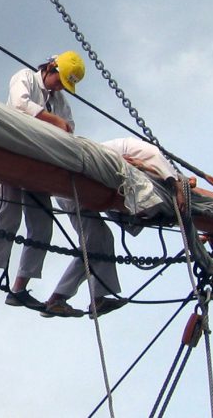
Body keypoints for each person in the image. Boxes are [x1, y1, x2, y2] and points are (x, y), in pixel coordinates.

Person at [0, 51, 86, 312]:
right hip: (13, 153)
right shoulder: (25, 78)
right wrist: (54, 121)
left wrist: (61, 124)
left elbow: (70, 127)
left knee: (42, 227)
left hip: (39, 164)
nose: (59, 87)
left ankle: (19, 288)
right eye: (60, 81)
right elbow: (21, 104)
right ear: (52, 68)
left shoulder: (59, 100)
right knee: (9, 216)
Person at [38, 137, 176, 319]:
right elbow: (170, 185)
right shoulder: (153, 157)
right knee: (95, 243)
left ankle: (90, 298)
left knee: (98, 243)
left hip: (82, 186)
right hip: (73, 184)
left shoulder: (135, 159)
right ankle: (62, 299)